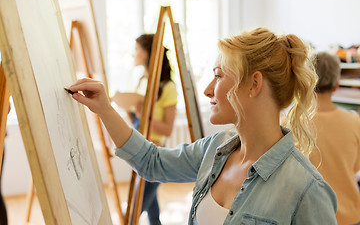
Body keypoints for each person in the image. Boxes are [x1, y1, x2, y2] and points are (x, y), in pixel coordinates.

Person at [69, 27, 337, 224]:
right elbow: (151, 162)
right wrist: (104, 108)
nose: (208, 90)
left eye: (218, 76)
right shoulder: (215, 150)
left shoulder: (307, 190)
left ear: (254, 84)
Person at [114, 34, 177, 225]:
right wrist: (129, 109)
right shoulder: (143, 80)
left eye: (137, 50)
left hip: (155, 151)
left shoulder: (168, 87)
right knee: (150, 203)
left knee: (137, 205)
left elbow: (167, 129)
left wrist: (144, 114)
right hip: (139, 147)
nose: (134, 54)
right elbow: (138, 120)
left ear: (148, 53)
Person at [309, 52, 360, 225]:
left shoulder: (291, 123)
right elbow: (356, 166)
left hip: (309, 216)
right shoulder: (355, 121)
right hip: (350, 216)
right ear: (336, 85)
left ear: (306, 82)